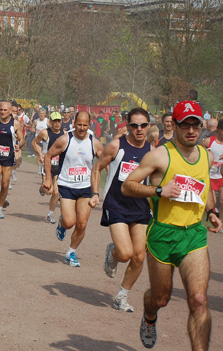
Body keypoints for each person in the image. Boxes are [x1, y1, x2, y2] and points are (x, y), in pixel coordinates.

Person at [122, 100, 222, 350]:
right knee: (161, 298)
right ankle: (149, 315)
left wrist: (211, 211)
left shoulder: (206, 156)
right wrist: (158, 190)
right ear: (175, 126)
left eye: (195, 125)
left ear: (201, 127)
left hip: (194, 236)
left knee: (199, 300)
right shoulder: (159, 156)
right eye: (185, 125)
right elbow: (127, 185)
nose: (191, 131)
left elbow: (205, 189)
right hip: (162, 235)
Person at [89, 108, 153, 313]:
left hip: (140, 208)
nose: (139, 129)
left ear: (149, 126)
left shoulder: (152, 152)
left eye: (143, 125)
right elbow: (97, 167)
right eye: (134, 125)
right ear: (127, 125)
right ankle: (113, 253)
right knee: (125, 253)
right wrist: (95, 193)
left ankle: (121, 296)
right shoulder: (117, 146)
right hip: (115, 205)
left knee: (139, 256)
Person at [42, 111, 103, 267]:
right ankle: (62, 224)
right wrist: (48, 178)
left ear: (90, 125)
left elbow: (104, 162)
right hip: (67, 185)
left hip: (85, 187)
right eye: (79, 124)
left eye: (85, 125)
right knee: (70, 222)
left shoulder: (94, 142)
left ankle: (71, 252)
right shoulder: (65, 139)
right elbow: (48, 155)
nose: (82, 128)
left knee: (82, 224)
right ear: (74, 123)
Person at [33, 111, 64, 224]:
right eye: (54, 121)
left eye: (58, 121)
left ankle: (50, 214)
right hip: (47, 165)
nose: (57, 123)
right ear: (50, 121)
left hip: (59, 166)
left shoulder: (65, 134)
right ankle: (43, 187)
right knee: (49, 191)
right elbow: (34, 142)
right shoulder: (45, 133)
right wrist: (40, 154)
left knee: (56, 192)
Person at [201, 119, 223, 232]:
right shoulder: (208, 141)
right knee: (212, 202)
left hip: (222, 176)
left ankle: (220, 223)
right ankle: (212, 220)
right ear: (218, 129)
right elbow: (198, 152)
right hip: (210, 176)